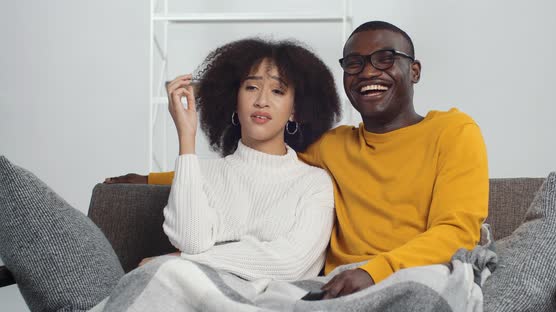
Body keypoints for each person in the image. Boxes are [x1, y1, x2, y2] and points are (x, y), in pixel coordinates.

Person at [107, 20, 489, 300]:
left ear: (414, 70)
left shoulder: (454, 131)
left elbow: (456, 232)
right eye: (354, 63)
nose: (368, 71)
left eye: (385, 58)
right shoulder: (333, 147)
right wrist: (149, 178)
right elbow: (256, 162)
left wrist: (374, 272)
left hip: (406, 276)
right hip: (332, 285)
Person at [0, 37, 340, 311]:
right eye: (251, 88)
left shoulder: (313, 183)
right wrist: (186, 138)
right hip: (187, 295)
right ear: (234, 100)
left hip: (262, 301)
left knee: (168, 271)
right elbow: (190, 237)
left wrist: (182, 260)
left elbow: (291, 263)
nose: (262, 100)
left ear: (295, 110)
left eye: (278, 91)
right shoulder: (202, 172)